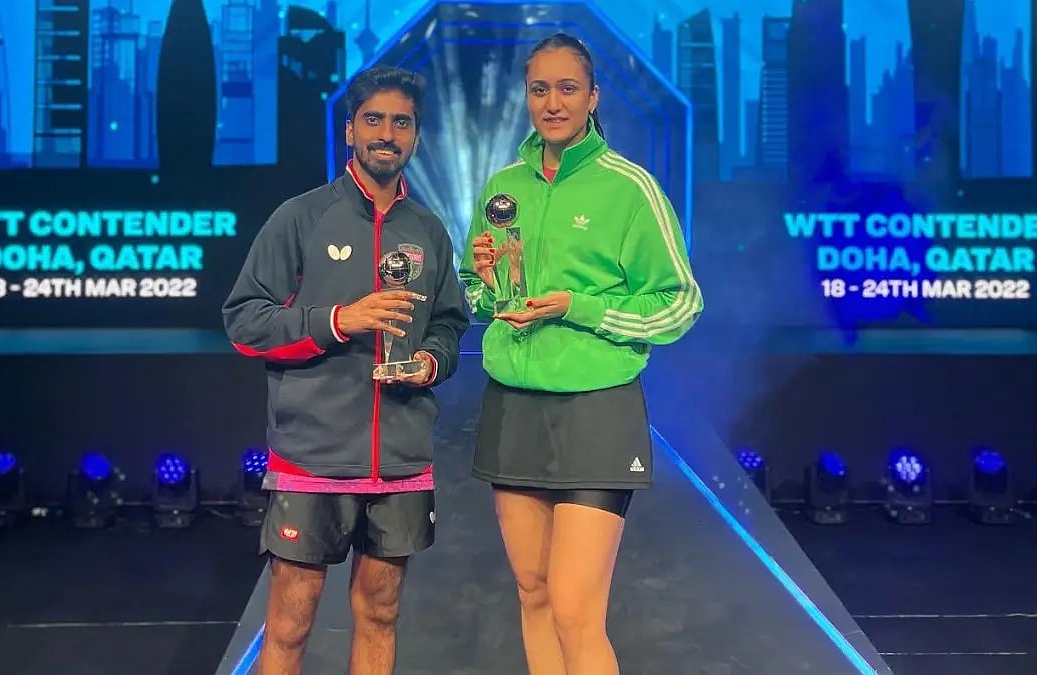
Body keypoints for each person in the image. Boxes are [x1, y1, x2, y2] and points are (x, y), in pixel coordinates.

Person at [458, 33, 703, 675]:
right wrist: (484, 281)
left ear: (592, 98)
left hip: (597, 410)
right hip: (513, 407)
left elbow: (680, 304)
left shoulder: (629, 188)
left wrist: (581, 307)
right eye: (540, 89)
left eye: (568, 88)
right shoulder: (503, 186)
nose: (553, 102)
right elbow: (479, 292)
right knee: (534, 595)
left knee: (574, 610)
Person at [223, 65, 470, 675]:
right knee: (289, 621)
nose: (388, 133)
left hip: (401, 460)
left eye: (402, 122)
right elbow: (245, 321)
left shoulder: (429, 231)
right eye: (374, 120)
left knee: (381, 614)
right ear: (350, 132)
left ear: (416, 137)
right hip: (313, 457)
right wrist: (339, 319)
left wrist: (431, 360)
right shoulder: (301, 218)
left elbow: (449, 321)